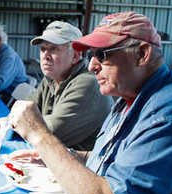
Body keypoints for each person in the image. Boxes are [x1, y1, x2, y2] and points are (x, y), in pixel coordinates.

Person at [9, 11, 172, 194]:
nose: (91, 65)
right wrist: (66, 157)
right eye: (91, 55)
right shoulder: (129, 95)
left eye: (102, 54)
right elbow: (117, 158)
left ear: (142, 54)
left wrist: (40, 136)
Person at [27, 21, 113, 150]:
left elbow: (50, 134)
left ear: (75, 56)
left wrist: (24, 121)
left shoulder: (88, 83)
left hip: (84, 165)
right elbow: (25, 108)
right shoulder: (51, 78)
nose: (45, 56)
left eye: (54, 49)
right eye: (43, 49)